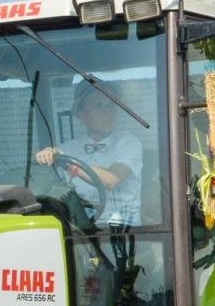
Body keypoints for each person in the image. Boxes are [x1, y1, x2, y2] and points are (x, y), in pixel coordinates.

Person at [35, 80, 145, 226]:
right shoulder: (69, 148)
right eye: (98, 105)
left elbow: (112, 179)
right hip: (82, 232)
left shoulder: (128, 142)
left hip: (125, 233)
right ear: (82, 116)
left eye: (112, 105)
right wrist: (46, 155)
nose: (108, 112)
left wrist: (69, 164)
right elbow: (41, 179)